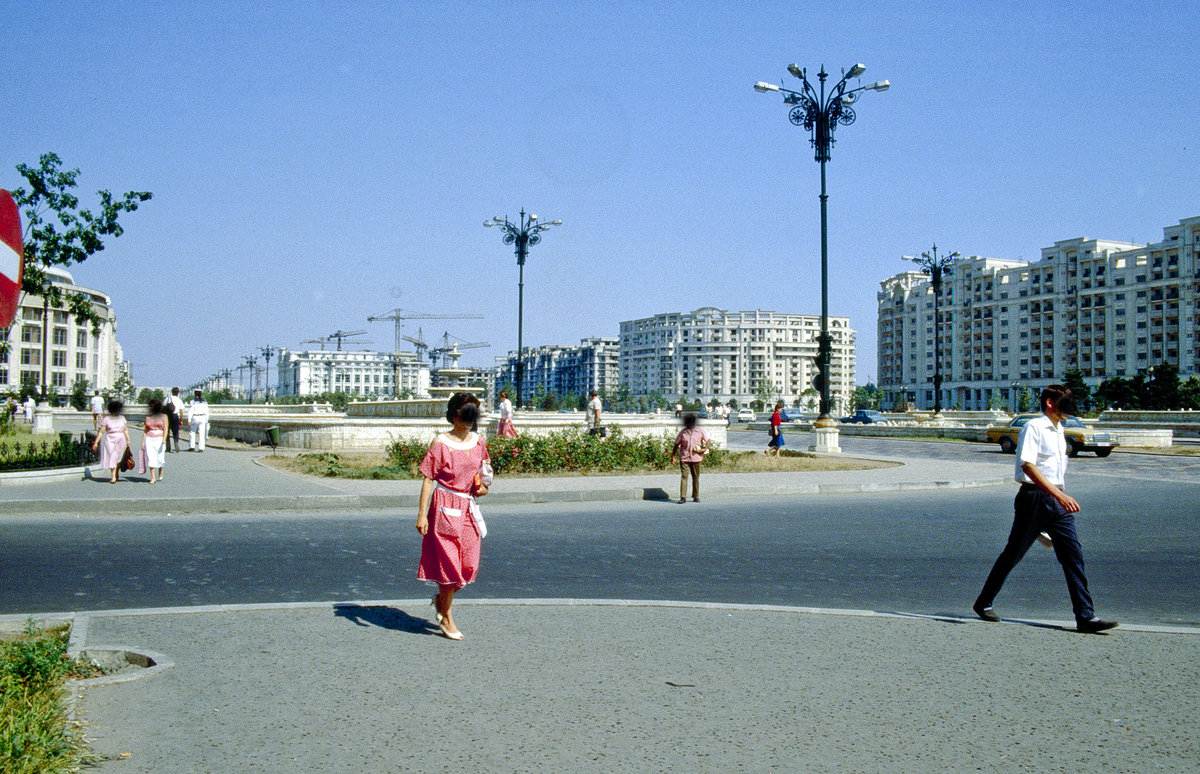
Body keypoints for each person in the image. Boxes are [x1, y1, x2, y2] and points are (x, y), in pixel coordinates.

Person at [973, 385, 1117, 634]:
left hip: (1056, 500)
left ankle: (1085, 617)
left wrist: (1059, 495)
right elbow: (1028, 466)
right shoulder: (1034, 428)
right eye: (1065, 407)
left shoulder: (1059, 430)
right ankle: (983, 602)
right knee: (1013, 555)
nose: (1068, 414)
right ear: (1050, 403)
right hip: (1034, 499)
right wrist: (1059, 494)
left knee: (1073, 556)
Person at [416, 393, 491, 641]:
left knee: (469, 565)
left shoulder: (478, 442)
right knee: (449, 566)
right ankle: (447, 616)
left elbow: (484, 474)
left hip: (468, 507)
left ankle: (441, 599)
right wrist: (421, 515)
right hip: (444, 506)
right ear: (454, 415)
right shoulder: (441, 443)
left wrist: (483, 488)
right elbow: (429, 478)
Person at [670, 413, 709, 504]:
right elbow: (676, 444)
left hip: (696, 458)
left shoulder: (700, 431)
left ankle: (696, 496)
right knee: (684, 476)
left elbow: (708, 440)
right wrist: (673, 456)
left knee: (695, 477)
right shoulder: (683, 432)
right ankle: (683, 497)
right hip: (685, 458)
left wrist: (704, 449)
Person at [92, 399, 131, 484]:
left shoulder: (122, 418)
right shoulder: (106, 419)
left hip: (121, 439)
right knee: (112, 456)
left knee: (117, 457)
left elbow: (125, 430)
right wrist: (96, 442)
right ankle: (113, 476)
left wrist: (128, 440)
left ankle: (116, 471)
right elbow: (101, 431)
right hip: (110, 438)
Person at [142, 398, 168, 484]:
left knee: (160, 457)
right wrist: (143, 442)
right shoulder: (148, 417)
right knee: (151, 456)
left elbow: (165, 428)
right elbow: (145, 430)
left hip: (160, 437)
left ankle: (160, 470)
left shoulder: (164, 416)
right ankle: (153, 477)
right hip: (149, 438)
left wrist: (164, 439)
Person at [166, 387, 185, 452]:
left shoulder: (168, 399)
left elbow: (163, 407)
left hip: (168, 416)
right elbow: (181, 411)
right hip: (175, 416)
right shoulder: (179, 400)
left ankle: (168, 447)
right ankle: (176, 442)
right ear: (178, 393)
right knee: (175, 431)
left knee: (167, 431)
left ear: (172, 392)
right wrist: (181, 420)